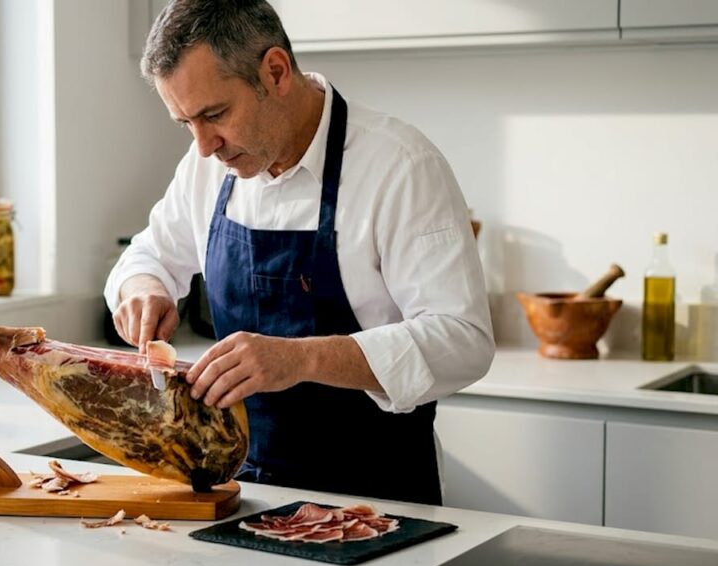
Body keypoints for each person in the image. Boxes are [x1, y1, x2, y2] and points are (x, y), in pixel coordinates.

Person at [104, 0, 493, 505]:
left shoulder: (400, 166)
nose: (203, 146)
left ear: (276, 71)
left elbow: (463, 340)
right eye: (186, 124)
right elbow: (148, 254)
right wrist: (143, 289)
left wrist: (301, 358)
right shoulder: (208, 168)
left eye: (215, 114)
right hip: (243, 496)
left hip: (376, 501)